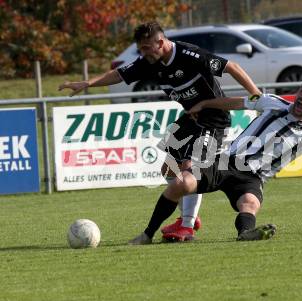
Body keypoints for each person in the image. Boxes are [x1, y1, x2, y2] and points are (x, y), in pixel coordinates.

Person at [58, 21, 261, 242]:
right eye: (140, 48)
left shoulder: (190, 55)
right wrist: (88, 83)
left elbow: (232, 67)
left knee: (189, 170)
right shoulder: (149, 61)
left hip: (213, 120)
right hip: (190, 118)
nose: (143, 53)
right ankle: (189, 216)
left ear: (161, 42)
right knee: (167, 170)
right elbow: (119, 75)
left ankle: (187, 225)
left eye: (146, 47)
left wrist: (256, 96)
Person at [128, 75, 302, 245]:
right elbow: (235, 102)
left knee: (250, 204)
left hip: (252, 179)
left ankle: (246, 234)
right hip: (226, 162)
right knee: (181, 183)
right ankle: (147, 234)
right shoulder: (273, 103)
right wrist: (205, 103)